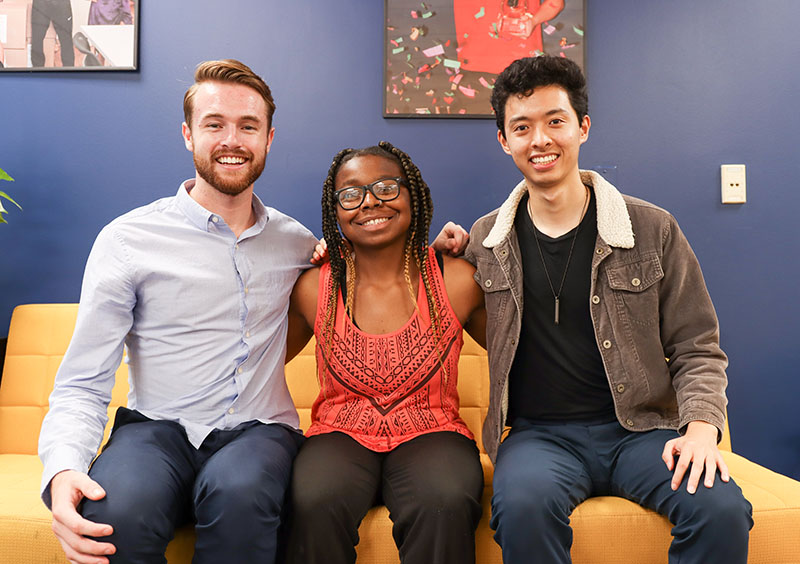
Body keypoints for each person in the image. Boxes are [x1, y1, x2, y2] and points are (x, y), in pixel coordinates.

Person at [461, 56, 753, 562]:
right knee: (521, 507)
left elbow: (697, 347)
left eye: (556, 121)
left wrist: (703, 430)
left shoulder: (652, 228)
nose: (541, 140)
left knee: (721, 509)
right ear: (505, 141)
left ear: (582, 127)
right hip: (539, 437)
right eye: (522, 127)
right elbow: (410, 285)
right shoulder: (486, 241)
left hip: (641, 432)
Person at [37, 59, 318, 564]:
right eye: (215, 125)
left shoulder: (296, 242)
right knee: (113, 515)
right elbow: (82, 380)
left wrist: (450, 246)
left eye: (247, 126)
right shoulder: (127, 240)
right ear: (188, 135)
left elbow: (380, 265)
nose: (232, 139)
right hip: (155, 429)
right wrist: (61, 470)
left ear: (269, 139)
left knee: (240, 496)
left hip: (260, 430)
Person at [285, 142, 487, 564]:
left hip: (432, 428)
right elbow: (254, 361)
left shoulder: (458, 279)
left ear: (413, 194)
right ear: (335, 212)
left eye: (386, 187)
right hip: (339, 431)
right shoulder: (312, 288)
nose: (370, 202)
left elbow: (521, 350)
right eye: (351, 194)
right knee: (313, 498)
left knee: (444, 498)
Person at [31, 0, 74, 67]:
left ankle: (69, 72)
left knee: (66, 40)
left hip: (61, 4)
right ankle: (37, 72)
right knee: (37, 39)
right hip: (41, 4)